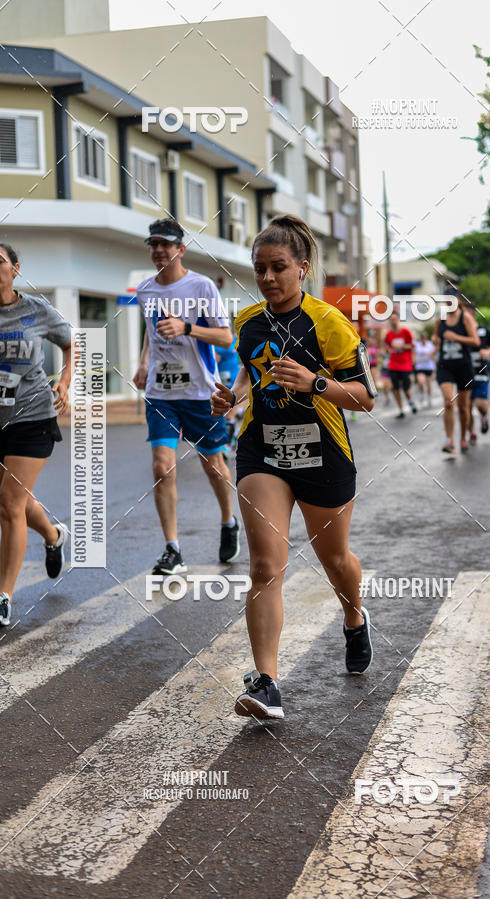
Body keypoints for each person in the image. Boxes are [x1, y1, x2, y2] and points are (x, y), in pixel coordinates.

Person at [211, 214, 376, 720]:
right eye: (259, 269)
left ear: (302, 268)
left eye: (278, 267)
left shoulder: (330, 323)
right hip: (262, 449)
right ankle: (267, 684)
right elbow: (250, 368)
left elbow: (366, 397)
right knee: (265, 565)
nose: (267, 278)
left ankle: (352, 615)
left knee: (336, 561)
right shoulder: (248, 321)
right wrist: (234, 396)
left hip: (324, 452)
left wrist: (315, 383)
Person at [133, 218, 239, 573]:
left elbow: (226, 338)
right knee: (162, 468)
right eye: (153, 244)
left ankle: (228, 521)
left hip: (199, 393)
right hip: (161, 393)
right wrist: (145, 361)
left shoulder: (201, 286)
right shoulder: (146, 290)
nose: (159, 249)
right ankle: (173, 549)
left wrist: (188, 328)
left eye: (166, 244)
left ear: (181, 248)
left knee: (213, 467)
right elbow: (152, 331)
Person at [0, 242, 72, 627]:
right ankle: (53, 534)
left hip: (32, 417)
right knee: (15, 498)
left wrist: (65, 381)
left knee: (9, 504)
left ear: (16, 268)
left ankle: (3, 596)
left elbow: (70, 343)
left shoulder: (36, 310)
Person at [433, 297, 480, 454]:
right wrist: (435, 340)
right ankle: (449, 441)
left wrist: (456, 337)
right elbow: (437, 339)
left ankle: (463, 437)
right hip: (445, 366)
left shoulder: (465, 317)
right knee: (448, 402)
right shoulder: (440, 319)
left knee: (463, 407)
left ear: (458, 300)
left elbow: (476, 341)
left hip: (463, 367)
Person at [385, 312, 417, 418]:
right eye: (391, 319)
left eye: (394, 319)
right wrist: (388, 350)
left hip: (405, 364)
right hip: (393, 364)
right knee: (395, 388)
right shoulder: (388, 334)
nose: (392, 321)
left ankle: (410, 401)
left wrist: (401, 346)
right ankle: (401, 409)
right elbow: (387, 347)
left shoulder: (406, 332)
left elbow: (413, 346)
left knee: (406, 388)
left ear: (398, 319)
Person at [468, 323, 490, 444]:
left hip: (481, 372)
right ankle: (471, 434)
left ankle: (484, 417)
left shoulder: (484, 330)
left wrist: (488, 352)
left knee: (480, 404)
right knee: (466, 408)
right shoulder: (459, 331)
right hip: (464, 374)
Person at [413, 332, 436, 407]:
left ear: (426, 338)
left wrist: (428, 354)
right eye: (421, 338)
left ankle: (429, 398)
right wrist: (414, 360)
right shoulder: (417, 345)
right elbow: (414, 353)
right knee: (420, 381)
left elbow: (433, 355)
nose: (423, 339)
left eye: (424, 338)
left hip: (429, 367)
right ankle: (422, 394)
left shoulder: (430, 345)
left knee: (428, 383)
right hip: (420, 367)